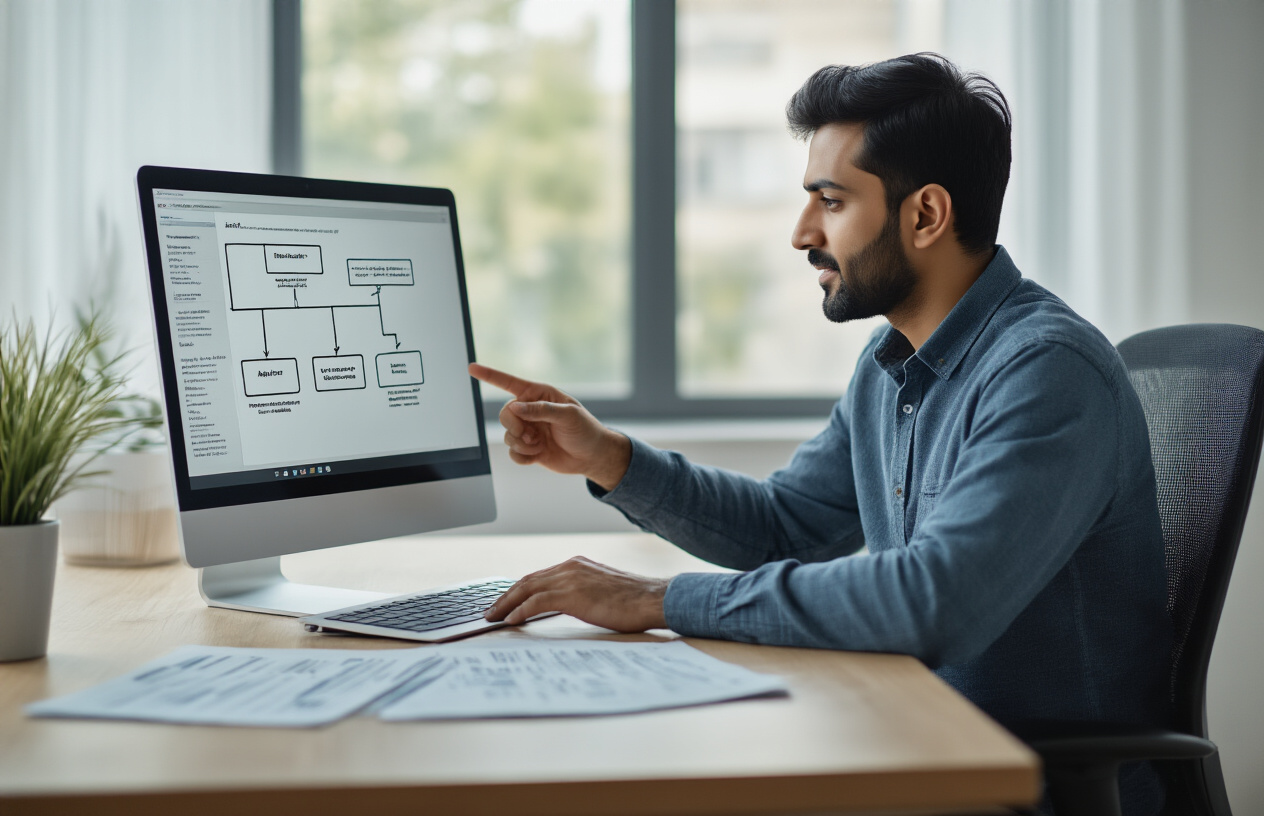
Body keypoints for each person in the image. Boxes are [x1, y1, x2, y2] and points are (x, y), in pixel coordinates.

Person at [472, 53, 1172, 815]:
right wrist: (610, 458)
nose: (803, 232)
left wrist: (658, 600)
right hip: (916, 745)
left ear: (926, 215)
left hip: (1022, 788)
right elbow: (788, 527)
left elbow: (935, 603)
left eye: (830, 201)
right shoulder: (891, 363)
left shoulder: (1046, 372)